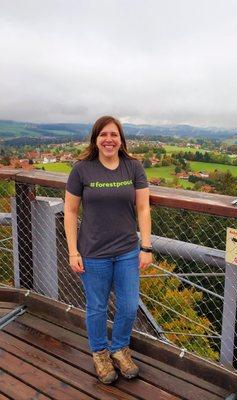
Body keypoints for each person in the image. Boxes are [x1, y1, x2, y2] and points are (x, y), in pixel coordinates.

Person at [64, 115, 153, 384]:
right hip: (93, 252)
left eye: (114, 135)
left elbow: (143, 208)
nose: (109, 139)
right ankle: (100, 353)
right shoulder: (82, 169)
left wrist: (146, 246)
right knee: (97, 307)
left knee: (128, 306)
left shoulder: (133, 167)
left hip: (127, 250)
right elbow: (70, 211)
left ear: (121, 139)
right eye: (103, 135)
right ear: (95, 139)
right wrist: (72, 251)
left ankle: (119, 349)